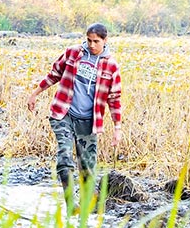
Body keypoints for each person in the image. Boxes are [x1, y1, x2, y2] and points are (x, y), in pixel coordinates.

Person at [25, 23, 123, 209]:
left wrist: (117, 128)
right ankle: (71, 204)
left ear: (105, 41)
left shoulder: (111, 66)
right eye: (89, 40)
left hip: (89, 122)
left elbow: (114, 98)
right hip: (64, 114)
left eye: (96, 41)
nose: (92, 45)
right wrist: (35, 93)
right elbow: (54, 74)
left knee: (87, 168)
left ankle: (86, 209)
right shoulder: (73, 53)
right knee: (64, 157)